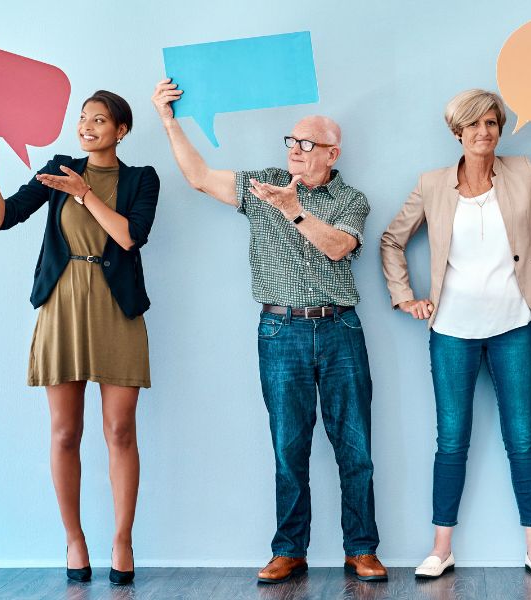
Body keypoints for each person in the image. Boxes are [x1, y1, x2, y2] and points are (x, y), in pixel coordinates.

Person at [150, 79, 385, 584]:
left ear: (331, 153)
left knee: (356, 446)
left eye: (307, 144)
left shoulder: (351, 199)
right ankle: (288, 549)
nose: (296, 151)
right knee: (288, 446)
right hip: (280, 330)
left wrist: (291, 208)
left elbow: (339, 247)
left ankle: (361, 549)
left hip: (340, 327)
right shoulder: (262, 184)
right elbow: (198, 177)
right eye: (291, 142)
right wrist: (169, 120)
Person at [380, 89, 531, 580]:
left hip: (514, 325)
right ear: (457, 132)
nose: (484, 132)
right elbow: (392, 239)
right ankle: (440, 549)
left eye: (492, 124)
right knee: (451, 440)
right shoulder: (432, 184)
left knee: (522, 438)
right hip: (451, 330)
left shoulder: (524, 172)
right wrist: (404, 296)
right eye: (474, 125)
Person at [0, 90, 158, 585]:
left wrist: (84, 193)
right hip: (62, 304)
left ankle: (122, 539)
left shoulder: (142, 179)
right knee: (65, 432)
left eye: (100, 119)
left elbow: (128, 237)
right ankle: (74, 539)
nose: (88, 126)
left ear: (122, 131)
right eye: (83, 118)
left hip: (117, 307)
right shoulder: (57, 167)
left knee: (119, 431)